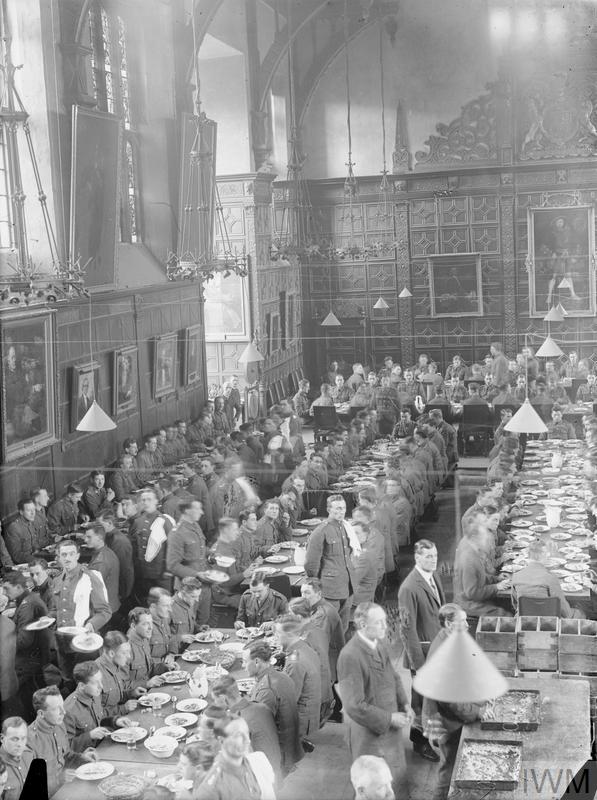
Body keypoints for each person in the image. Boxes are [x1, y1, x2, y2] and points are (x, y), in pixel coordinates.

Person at [337, 603, 413, 799]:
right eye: (379, 622)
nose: (385, 626)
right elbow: (354, 705)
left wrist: (405, 704)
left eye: (384, 621)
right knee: (374, 788)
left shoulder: (378, 643)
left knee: (395, 781)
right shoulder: (350, 655)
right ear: (363, 624)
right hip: (370, 737)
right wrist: (390, 718)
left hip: (390, 731)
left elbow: (394, 676)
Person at [422, 604, 491, 800]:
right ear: (449, 624)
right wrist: (477, 712)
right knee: (450, 767)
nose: (468, 625)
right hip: (444, 721)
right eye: (463, 621)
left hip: (450, 712)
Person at [397, 540, 444, 762]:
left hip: (437, 650)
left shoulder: (433, 577)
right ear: (417, 558)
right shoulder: (409, 588)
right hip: (422, 655)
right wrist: (419, 666)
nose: (433, 560)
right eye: (428, 556)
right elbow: (407, 630)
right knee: (420, 701)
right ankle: (419, 742)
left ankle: (433, 734)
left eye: (435, 555)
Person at [245, 641, 303, 776]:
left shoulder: (267, 690)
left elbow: (256, 730)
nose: (243, 666)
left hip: (276, 757)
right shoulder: (281, 676)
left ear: (257, 661)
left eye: (244, 661)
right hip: (290, 747)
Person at [27, 686, 97, 797]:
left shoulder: (59, 725)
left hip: (66, 789)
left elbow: (66, 755)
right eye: (56, 709)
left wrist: (81, 757)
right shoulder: (29, 741)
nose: (63, 712)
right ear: (41, 714)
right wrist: (59, 779)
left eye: (62, 706)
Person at [304, 495, 357, 633]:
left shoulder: (345, 527)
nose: (341, 511)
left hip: (347, 585)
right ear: (328, 509)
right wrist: (315, 584)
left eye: (343, 508)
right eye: (337, 508)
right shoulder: (320, 531)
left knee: (343, 627)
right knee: (327, 628)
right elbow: (311, 562)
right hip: (330, 588)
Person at [210, 675, 281, 777]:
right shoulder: (261, 706)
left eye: (215, 699)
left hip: (262, 776)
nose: (215, 703)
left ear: (223, 698)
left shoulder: (238, 724)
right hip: (276, 766)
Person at [194, 716, 276, 800]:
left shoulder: (258, 761)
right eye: (238, 735)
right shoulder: (211, 788)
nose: (247, 740)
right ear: (221, 740)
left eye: (247, 733)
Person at [63, 661, 137, 751]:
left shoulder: (94, 695)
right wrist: (90, 735)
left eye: (101, 681)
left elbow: (100, 718)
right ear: (82, 686)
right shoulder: (69, 710)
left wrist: (115, 721)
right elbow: (65, 748)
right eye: (95, 683)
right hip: (87, 754)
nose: (101, 686)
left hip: (103, 746)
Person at [274, 614, 322, 744]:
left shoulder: (295, 663)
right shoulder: (304, 648)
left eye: (278, 633)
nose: (275, 636)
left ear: (289, 634)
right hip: (309, 712)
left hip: (298, 721)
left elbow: (288, 701)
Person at [453, 511, 511, 617]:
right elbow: (472, 593)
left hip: (474, 597)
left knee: (508, 605)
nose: (487, 539)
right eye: (484, 537)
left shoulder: (474, 549)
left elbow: (479, 576)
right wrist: (496, 587)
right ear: (475, 538)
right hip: (468, 603)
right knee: (507, 615)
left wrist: (496, 579)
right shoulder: (469, 559)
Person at [511, 540, 584, 618]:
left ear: (528, 555)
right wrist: (569, 615)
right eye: (547, 553)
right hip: (548, 621)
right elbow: (563, 607)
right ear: (544, 555)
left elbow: (515, 604)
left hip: (523, 620)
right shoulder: (551, 578)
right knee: (580, 613)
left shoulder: (516, 576)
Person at [84, 525, 121, 618]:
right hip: (111, 603)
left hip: (103, 611)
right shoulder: (106, 551)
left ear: (99, 538)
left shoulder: (101, 561)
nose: (85, 540)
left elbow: (90, 587)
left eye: (89, 537)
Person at [126, 607, 168, 687]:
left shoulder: (144, 640)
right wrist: (146, 684)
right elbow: (121, 685)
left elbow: (149, 668)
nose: (151, 627)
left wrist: (165, 667)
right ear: (133, 626)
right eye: (145, 624)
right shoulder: (126, 648)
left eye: (151, 623)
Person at [0, 718, 33, 800]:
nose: (20, 744)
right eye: (15, 739)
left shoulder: (29, 755)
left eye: (23, 738)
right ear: (2, 739)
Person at [4, 499, 40, 564]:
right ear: (21, 512)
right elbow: (16, 556)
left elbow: (34, 543)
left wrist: (37, 551)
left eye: (34, 509)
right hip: (22, 564)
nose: (33, 513)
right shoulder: (14, 528)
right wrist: (35, 559)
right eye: (29, 510)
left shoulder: (30, 522)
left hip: (33, 559)